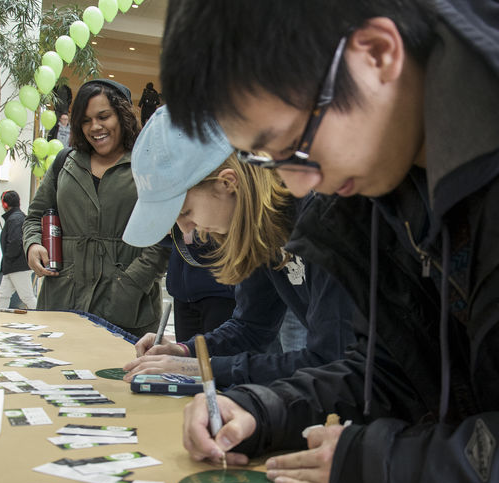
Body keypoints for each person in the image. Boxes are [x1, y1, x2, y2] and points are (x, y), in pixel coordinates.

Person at [159, 1, 499, 483]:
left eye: (293, 145)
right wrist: (264, 409)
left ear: (378, 53)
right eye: (267, 160)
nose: (296, 185)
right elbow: (397, 372)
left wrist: (387, 466)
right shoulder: (388, 179)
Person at [121, 106, 355, 388]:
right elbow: (251, 328)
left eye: (186, 212)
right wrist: (186, 351)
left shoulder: (322, 216)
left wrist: (202, 368)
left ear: (227, 183)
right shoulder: (263, 227)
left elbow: (331, 359)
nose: (187, 230)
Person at [23, 79, 170, 337]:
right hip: (62, 301)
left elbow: (162, 238)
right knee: (56, 373)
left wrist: (131, 284)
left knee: (114, 375)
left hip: (128, 307)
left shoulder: (148, 164)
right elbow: (36, 215)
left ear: (122, 116)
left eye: (104, 117)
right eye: (86, 120)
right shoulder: (65, 163)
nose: (95, 127)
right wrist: (33, 244)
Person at [167, 232, 236, 342]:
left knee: (217, 355)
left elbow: (240, 230)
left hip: (219, 291)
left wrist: (197, 236)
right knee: (184, 356)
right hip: (182, 292)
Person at [0, 191, 37, 310]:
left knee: (27, 297)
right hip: (14, 265)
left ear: (5, 204)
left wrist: (8, 258)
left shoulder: (14, 219)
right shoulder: (18, 218)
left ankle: (43, 317)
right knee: (3, 294)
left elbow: (15, 242)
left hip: (17, 265)